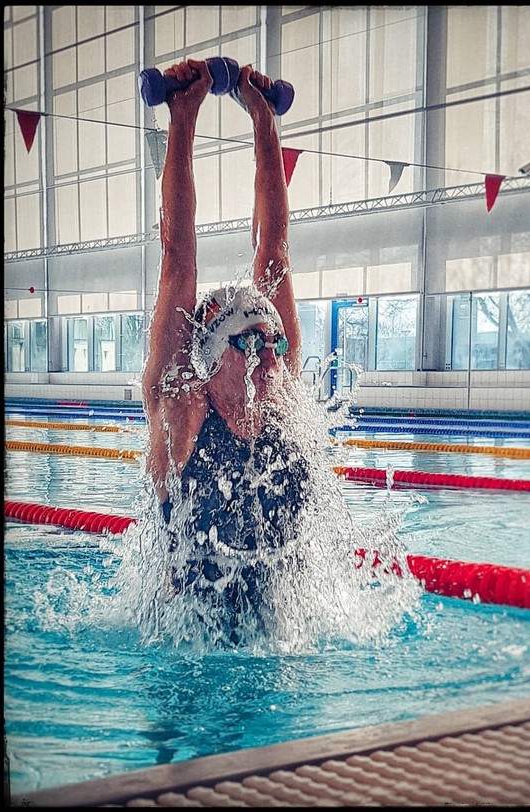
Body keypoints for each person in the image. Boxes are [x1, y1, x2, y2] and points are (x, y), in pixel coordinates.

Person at [141, 59, 311, 644]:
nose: (270, 360)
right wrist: (184, 117)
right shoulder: (179, 413)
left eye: (274, 344)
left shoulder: (280, 404)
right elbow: (177, 258)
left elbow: (275, 253)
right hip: (187, 666)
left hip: (274, 658)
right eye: (250, 344)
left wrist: (265, 122)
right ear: (211, 360)